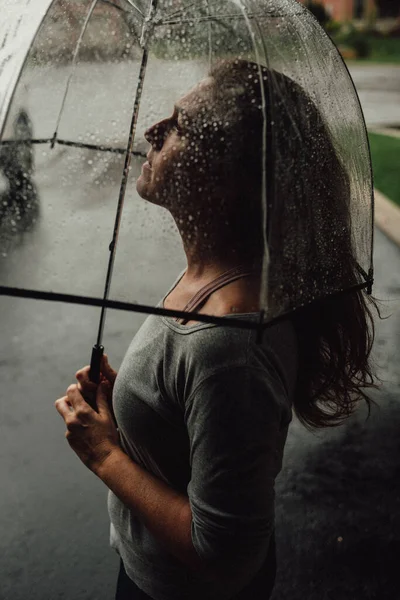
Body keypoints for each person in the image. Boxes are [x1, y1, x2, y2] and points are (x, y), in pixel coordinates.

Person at [55, 59, 378, 599]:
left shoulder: (228, 347)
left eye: (180, 124)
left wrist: (104, 453)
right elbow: (189, 410)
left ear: (228, 176)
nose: (152, 130)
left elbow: (226, 557)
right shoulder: (212, 276)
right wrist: (141, 400)